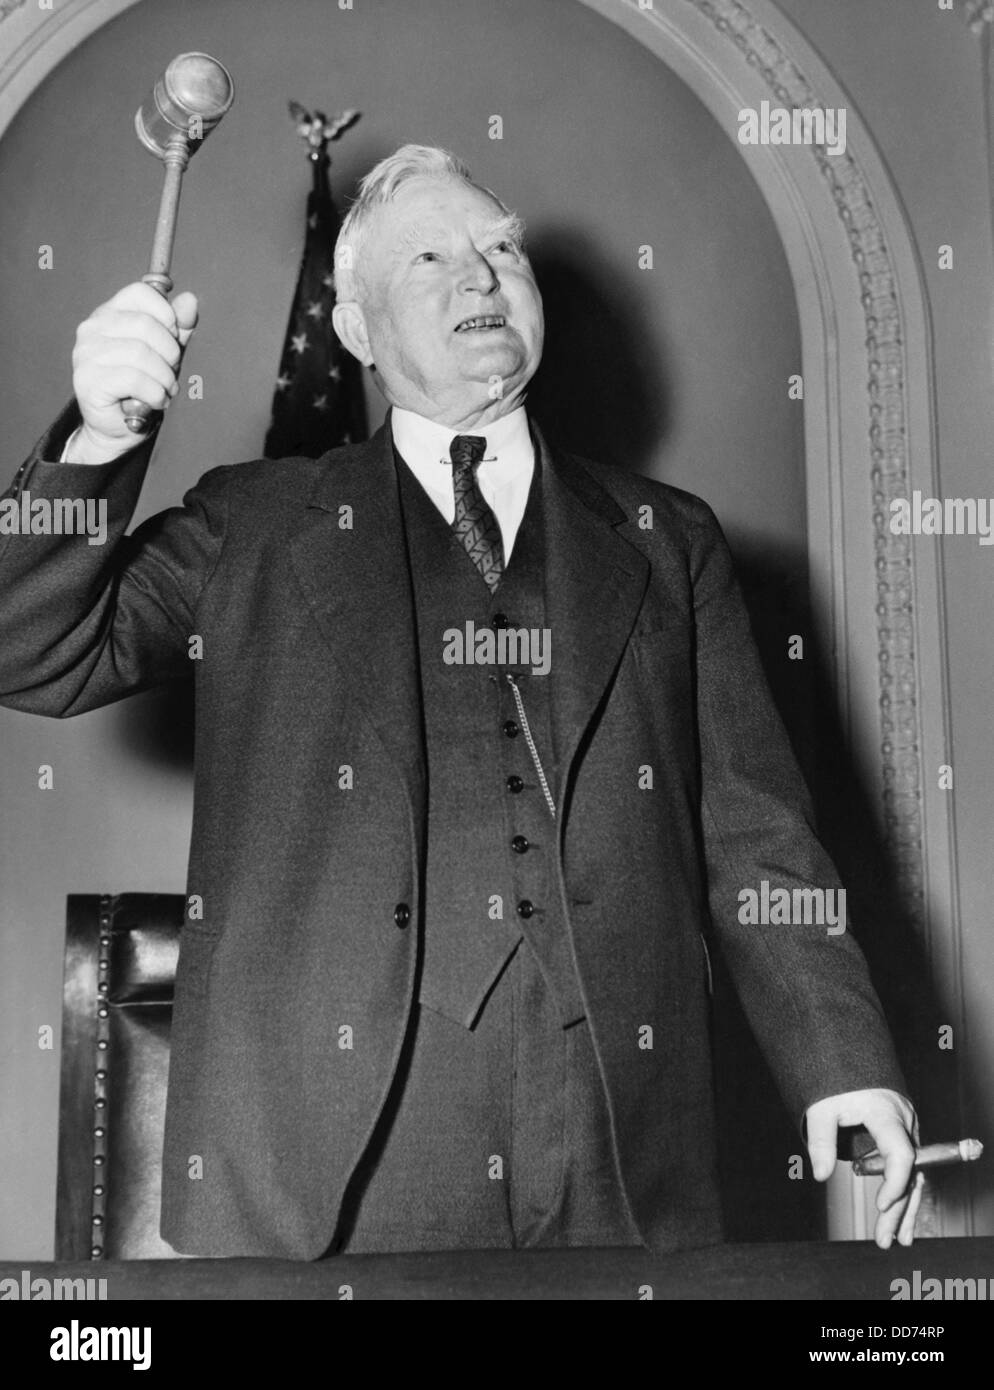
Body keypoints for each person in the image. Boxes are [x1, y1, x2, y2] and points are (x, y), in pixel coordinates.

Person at [0, 144, 923, 1259]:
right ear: (353, 331)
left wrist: (844, 1063)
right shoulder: (253, 521)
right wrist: (98, 440)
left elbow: (756, 833)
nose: (481, 278)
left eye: (500, 248)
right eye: (431, 255)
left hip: (624, 1151)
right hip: (326, 1169)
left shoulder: (668, 538)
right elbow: (31, 649)